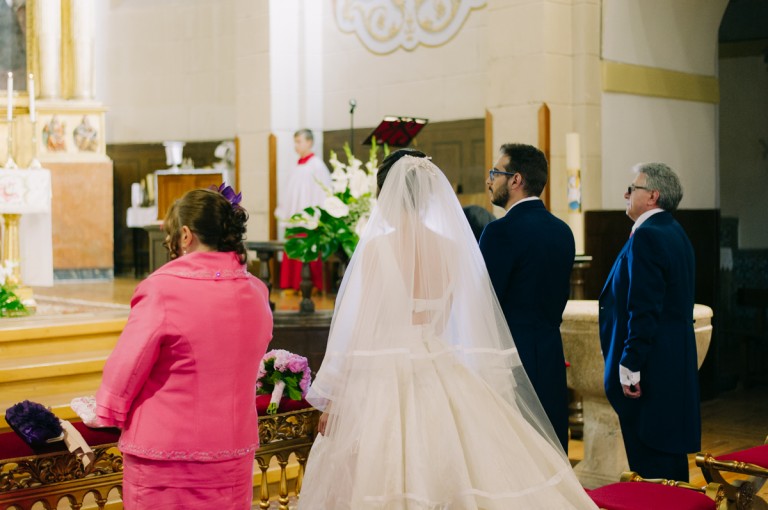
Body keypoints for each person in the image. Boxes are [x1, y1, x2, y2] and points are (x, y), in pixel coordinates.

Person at [298, 149, 597, 509]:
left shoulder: (378, 249)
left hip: (386, 371)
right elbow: (444, 320)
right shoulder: (452, 249)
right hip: (438, 361)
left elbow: (365, 326)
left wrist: (338, 397)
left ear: (387, 193)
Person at [95, 186, 273, 509]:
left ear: (186, 236)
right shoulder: (257, 292)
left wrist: (108, 409)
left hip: (165, 459)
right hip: (231, 454)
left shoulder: (162, 290)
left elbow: (126, 368)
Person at [599, 162, 699, 482]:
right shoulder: (674, 231)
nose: (626, 194)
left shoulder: (648, 236)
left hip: (651, 368)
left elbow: (643, 309)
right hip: (673, 361)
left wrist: (630, 364)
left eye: (633, 188)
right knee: (669, 459)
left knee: (651, 462)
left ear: (653, 195)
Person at [478, 143, 575, 453]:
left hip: (510, 358)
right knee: (550, 447)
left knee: (516, 452)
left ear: (515, 179)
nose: (489, 180)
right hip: (549, 351)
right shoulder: (562, 231)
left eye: (495, 172)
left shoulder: (500, 232)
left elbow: (486, 303)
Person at [275, 128, 332, 292]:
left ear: (309, 142)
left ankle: (312, 284)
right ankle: (293, 284)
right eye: (295, 142)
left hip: (309, 218)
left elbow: (323, 190)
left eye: (299, 141)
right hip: (295, 216)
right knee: (293, 246)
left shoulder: (316, 165)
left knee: (308, 249)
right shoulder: (296, 165)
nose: (296, 146)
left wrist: (316, 216)